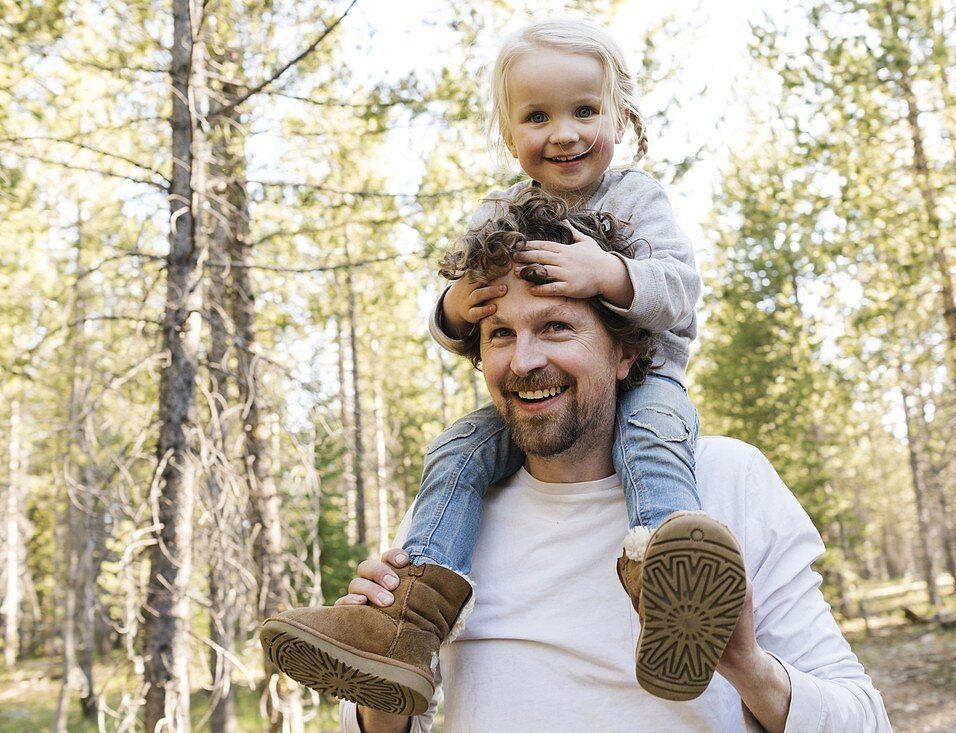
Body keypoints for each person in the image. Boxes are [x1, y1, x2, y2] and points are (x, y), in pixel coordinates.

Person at [263, 16, 747, 713]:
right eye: (538, 115)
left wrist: (606, 271)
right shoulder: (503, 211)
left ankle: (671, 583)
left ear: (621, 115)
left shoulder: (638, 200)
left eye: (585, 110)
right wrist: (458, 306)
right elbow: (469, 313)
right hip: (549, 405)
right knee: (459, 447)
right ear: (508, 129)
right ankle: (405, 625)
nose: (565, 132)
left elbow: (679, 290)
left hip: (646, 382)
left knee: (652, 438)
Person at [331, 197, 893, 732]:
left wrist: (747, 664)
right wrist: (380, 674)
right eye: (501, 334)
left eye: (556, 327)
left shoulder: (728, 481)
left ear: (627, 351)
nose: (524, 361)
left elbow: (864, 721)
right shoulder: (449, 512)